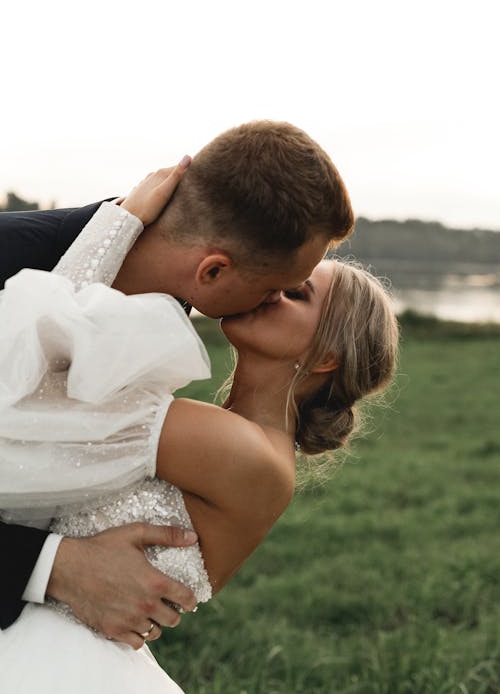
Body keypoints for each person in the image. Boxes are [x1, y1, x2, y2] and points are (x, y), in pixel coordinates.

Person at [0, 172, 398, 692]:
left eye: (294, 293)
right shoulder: (242, 439)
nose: (270, 289)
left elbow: (29, 388)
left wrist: (118, 224)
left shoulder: (239, 449)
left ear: (324, 357)